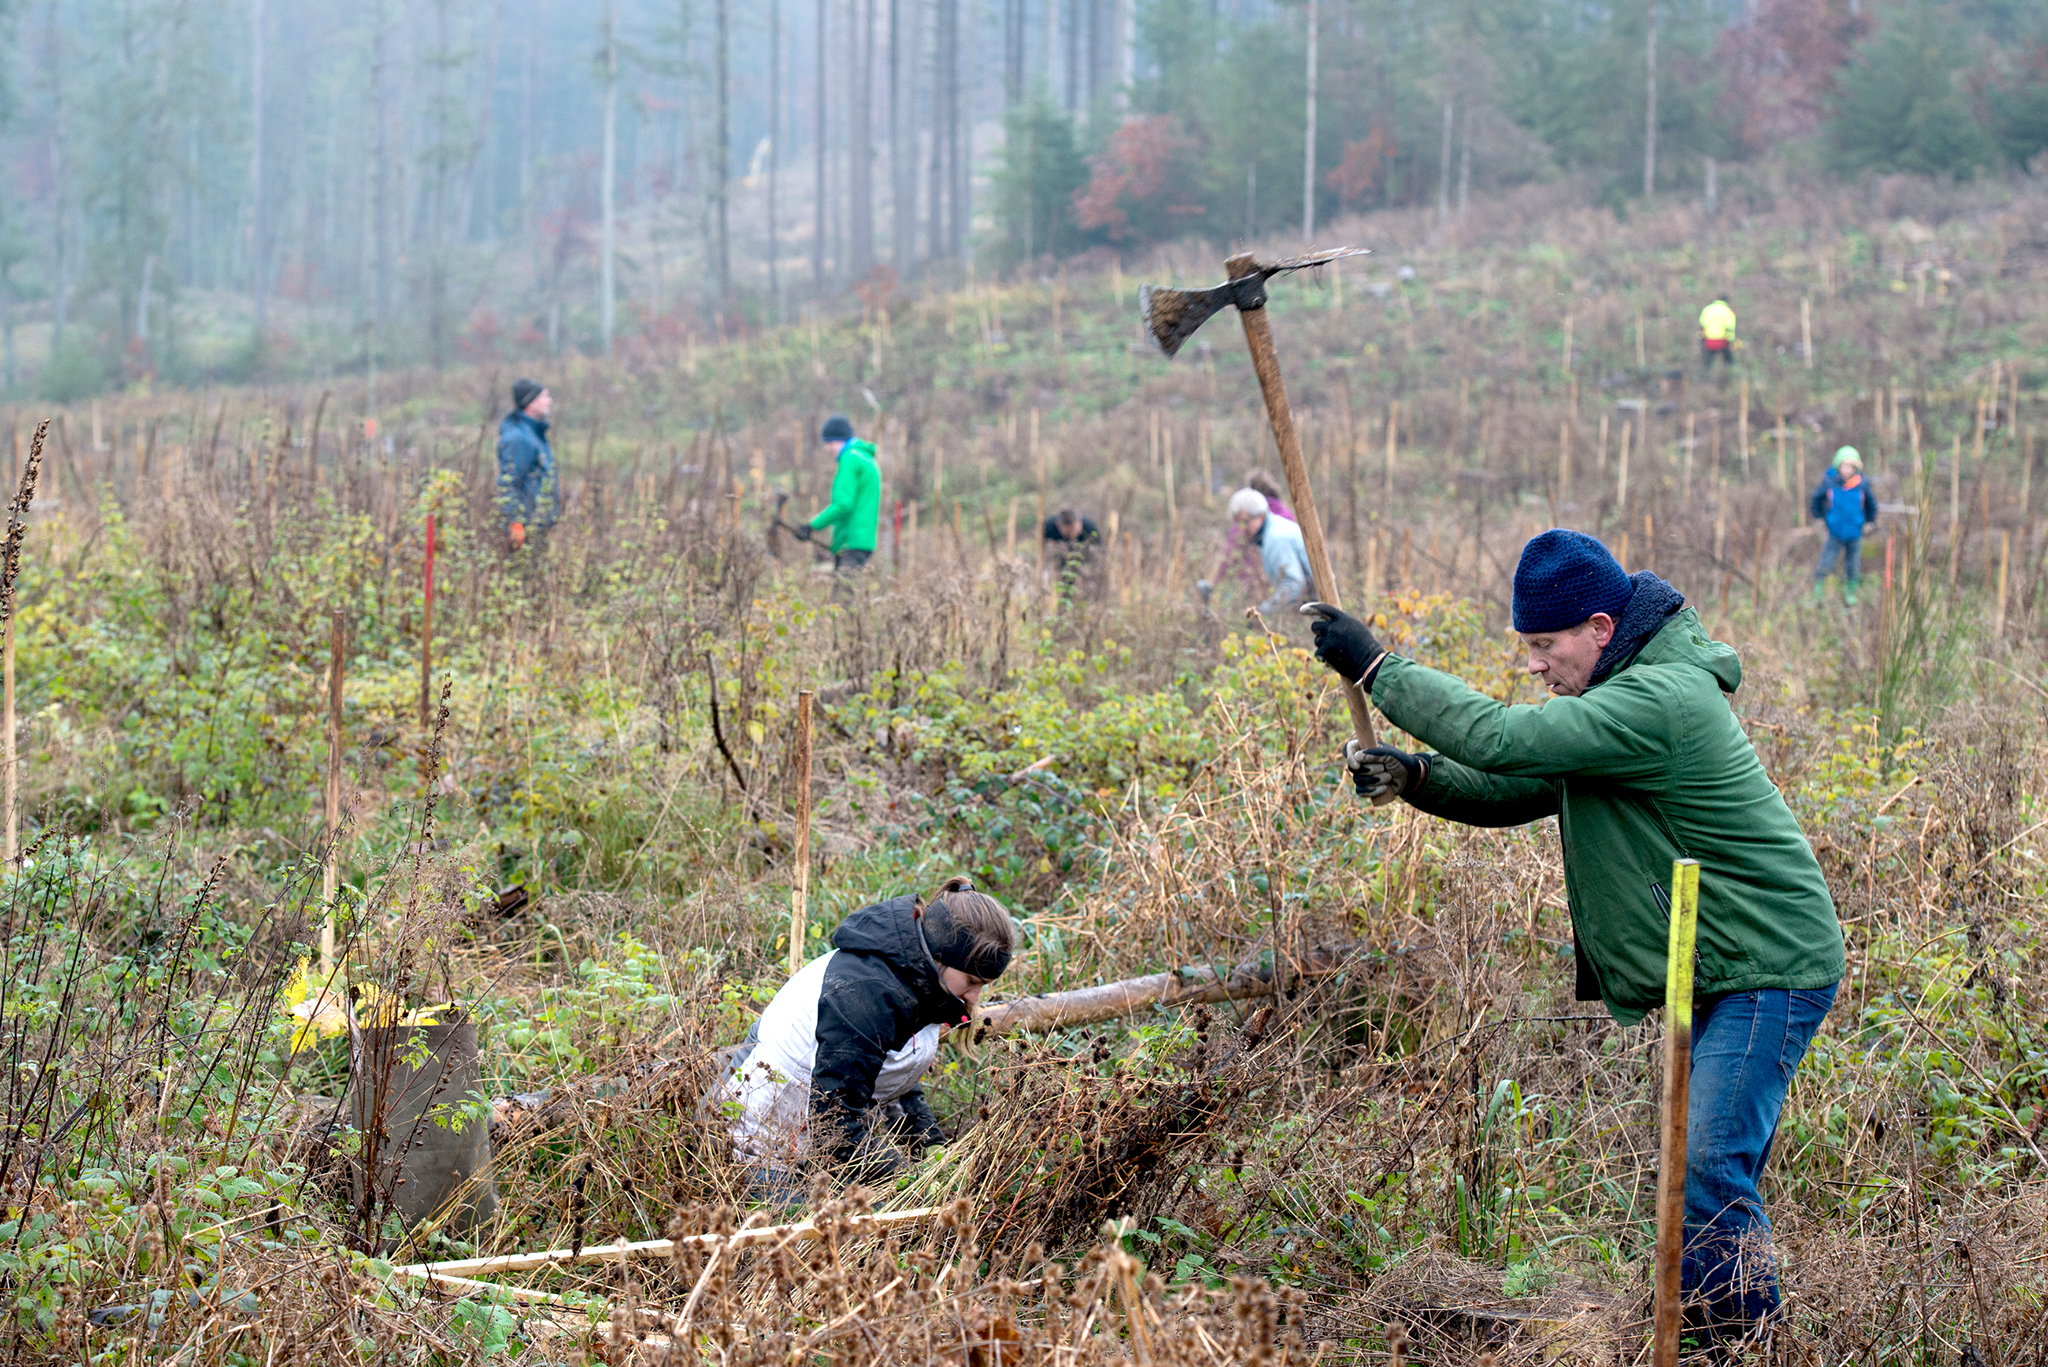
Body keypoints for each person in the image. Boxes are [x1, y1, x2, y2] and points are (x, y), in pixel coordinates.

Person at [1301, 529, 1844, 1350]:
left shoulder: (1660, 701)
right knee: (1697, 1179)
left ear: (1599, 628)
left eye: (1544, 645)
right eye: (1527, 648)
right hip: (1721, 965)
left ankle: (1746, 1347)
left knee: (1706, 1169)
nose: (1533, 665)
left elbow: (1501, 738)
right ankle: (1701, 1334)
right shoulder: (1619, 699)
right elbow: (1522, 783)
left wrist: (1379, 669)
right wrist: (1417, 777)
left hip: (1770, 966)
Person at [721, 877, 1016, 1197]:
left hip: (808, 1128)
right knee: (821, 1234)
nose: (975, 996)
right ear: (942, 955)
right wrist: (908, 1180)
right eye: (972, 980)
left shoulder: (922, 979)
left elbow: (894, 1077)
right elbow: (834, 1127)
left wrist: (933, 1150)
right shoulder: (867, 995)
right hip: (755, 1132)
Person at [795, 415, 881, 572]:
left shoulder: (850, 459)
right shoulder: (866, 459)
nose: (827, 448)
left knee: (842, 594)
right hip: (863, 539)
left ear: (841, 440)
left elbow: (843, 505)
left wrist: (812, 526)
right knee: (849, 591)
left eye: (830, 442)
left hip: (852, 539)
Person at [1226, 487, 1312, 617]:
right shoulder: (1270, 531)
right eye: (1239, 524)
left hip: (1318, 602)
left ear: (1260, 515)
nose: (1242, 529)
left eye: (1245, 522)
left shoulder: (1277, 538)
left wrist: (1261, 612)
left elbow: (1294, 585)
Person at [1809, 447, 1878, 605]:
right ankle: (1818, 595)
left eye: (1851, 467)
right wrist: (1819, 518)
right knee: (1826, 563)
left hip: (1855, 532)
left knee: (1852, 565)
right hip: (1835, 532)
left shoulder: (1862, 484)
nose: (1847, 470)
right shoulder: (1829, 482)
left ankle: (1850, 595)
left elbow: (1871, 505)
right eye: (1845, 466)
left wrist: (1870, 521)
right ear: (1838, 466)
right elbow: (1815, 499)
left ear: (1856, 468)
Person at [496, 379, 558, 549]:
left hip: (537, 525)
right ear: (530, 403)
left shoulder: (533, 434)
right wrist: (514, 523)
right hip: (525, 528)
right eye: (544, 396)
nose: (549, 401)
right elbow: (509, 483)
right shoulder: (519, 438)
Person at [1043, 506, 1101, 594]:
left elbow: (1098, 556)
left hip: (1084, 564)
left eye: (1074, 531)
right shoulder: (1048, 528)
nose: (1071, 536)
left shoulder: (1090, 529)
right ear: (1058, 525)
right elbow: (1043, 553)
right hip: (1058, 564)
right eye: (1067, 533)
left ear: (1079, 523)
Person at [1698, 297, 1737, 369]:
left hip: (1709, 341)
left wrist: (1701, 340)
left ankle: (1704, 378)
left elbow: (1702, 326)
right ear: (1727, 301)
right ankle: (1729, 375)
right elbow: (1729, 329)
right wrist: (1731, 342)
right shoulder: (1728, 311)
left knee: (1707, 363)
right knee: (1729, 362)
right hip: (1722, 341)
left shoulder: (1707, 309)